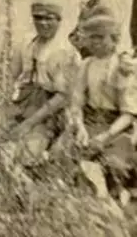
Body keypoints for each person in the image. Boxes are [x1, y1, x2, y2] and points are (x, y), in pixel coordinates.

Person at [0, 0, 78, 165]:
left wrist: (28, 124)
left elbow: (62, 97)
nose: (43, 23)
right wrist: (1, 101)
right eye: (38, 18)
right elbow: (11, 75)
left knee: (26, 157)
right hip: (22, 103)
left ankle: (34, 174)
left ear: (58, 20)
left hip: (48, 112)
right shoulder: (27, 44)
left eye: (49, 19)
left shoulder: (65, 51)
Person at [66, 15, 137, 201]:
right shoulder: (86, 64)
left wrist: (105, 137)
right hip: (90, 121)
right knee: (64, 157)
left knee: (115, 167)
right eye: (91, 37)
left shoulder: (123, 67)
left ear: (114, 39)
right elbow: (77, 101)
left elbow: (128, 114)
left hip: (116, 127)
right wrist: (79, 126)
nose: (95, 42)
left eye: (100, 37)